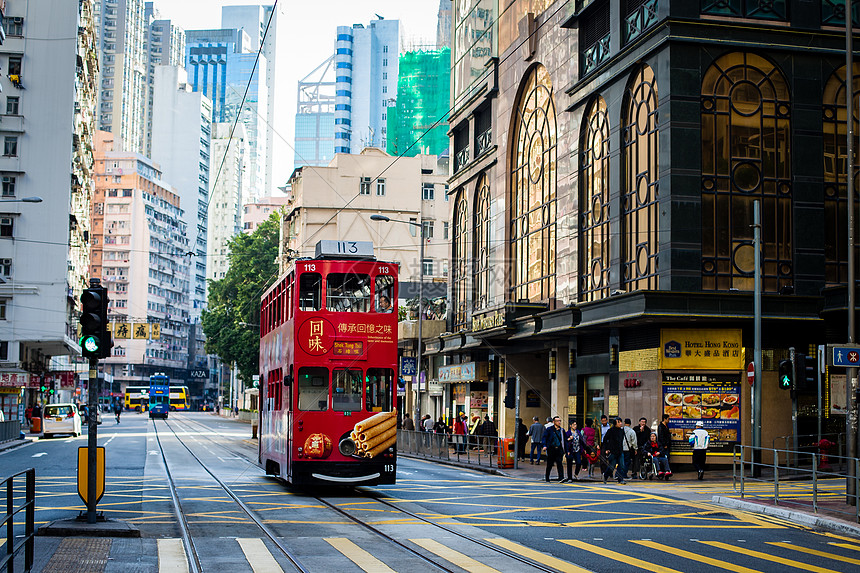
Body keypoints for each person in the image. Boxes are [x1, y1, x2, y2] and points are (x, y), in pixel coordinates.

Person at [602, 418, 626, 484]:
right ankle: (606, 475)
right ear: (615, 423)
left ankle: (620, 479)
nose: (621, 423)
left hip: (620, 450)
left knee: (622, 465)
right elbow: (605, 439)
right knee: (612, 466)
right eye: (619, 422)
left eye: (621, 422)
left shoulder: (622, 431)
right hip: (612, 451)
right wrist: (607, 448)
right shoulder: (610, 431)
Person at [542, 416, 565, 482]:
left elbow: (564, 440)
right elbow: (544, 437)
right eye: (557, 421)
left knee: (559, 463)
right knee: (550, 464)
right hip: (551, 449)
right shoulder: (549, 429)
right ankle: (547, 477)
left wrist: (566, 450)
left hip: (559, 449)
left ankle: (561, 477)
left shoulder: (562, 430)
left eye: (560, 421)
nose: (559, 422)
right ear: (553, 422)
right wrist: (544, 445)